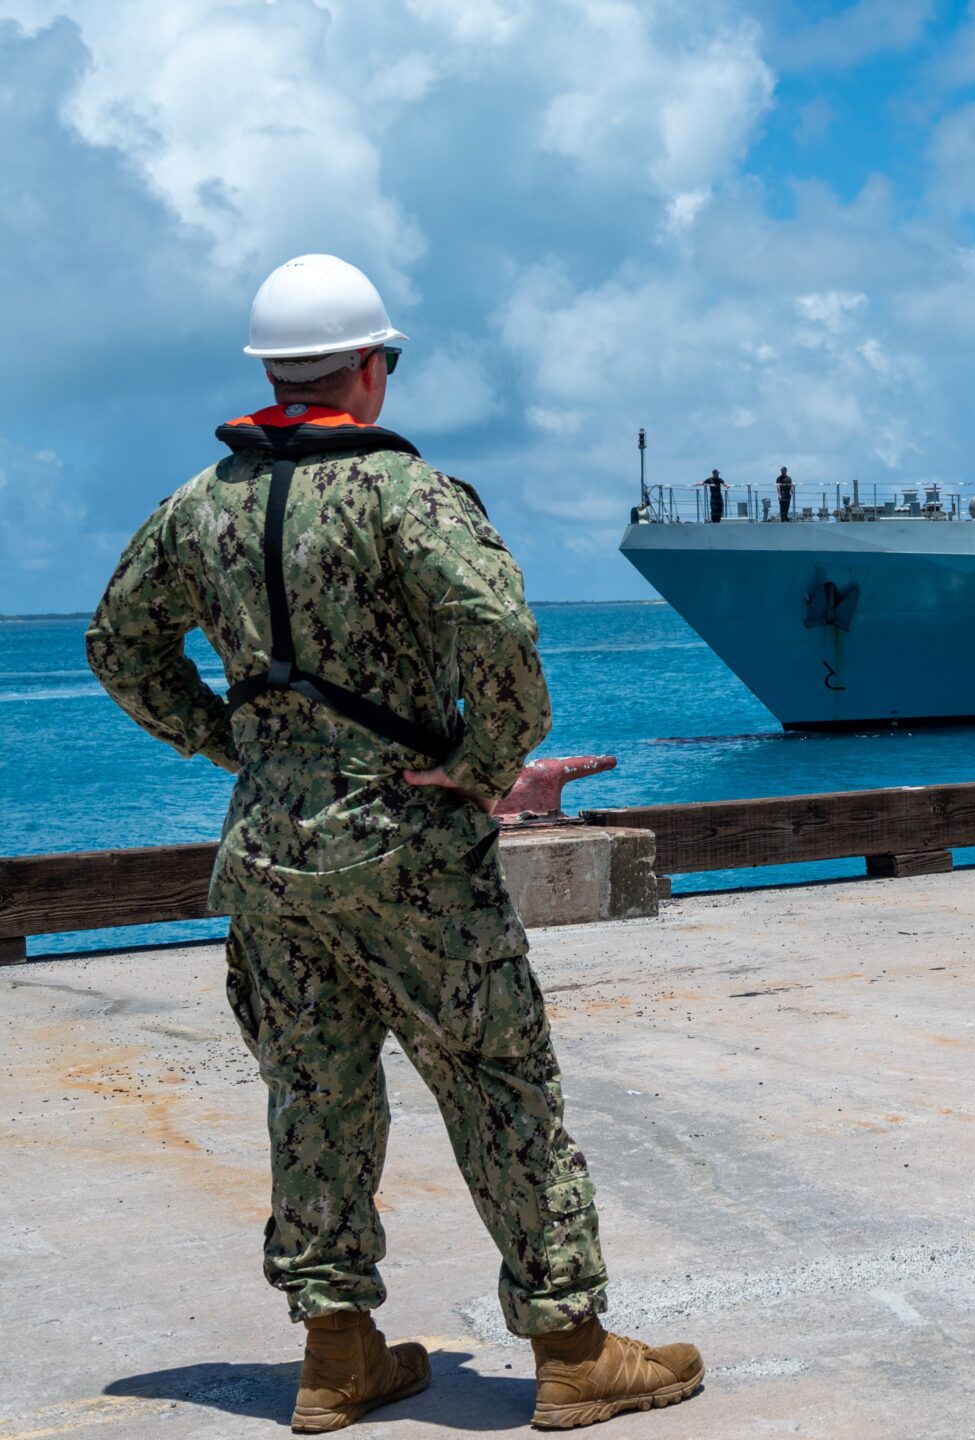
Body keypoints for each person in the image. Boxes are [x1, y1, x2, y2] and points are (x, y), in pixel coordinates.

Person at [84, 255, 701, 1431]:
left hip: (269, 853)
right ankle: (570, 1348)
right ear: (369, 370)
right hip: (408, 844)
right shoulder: (404, 494)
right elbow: (498, 626)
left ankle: (336, 1353)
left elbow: (118, 646)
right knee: (498, 1080)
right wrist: (482, 765)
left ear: (270, 372)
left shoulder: (197, 503)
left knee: (312, 1093)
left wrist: (222, 741)